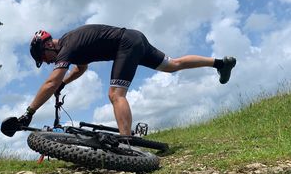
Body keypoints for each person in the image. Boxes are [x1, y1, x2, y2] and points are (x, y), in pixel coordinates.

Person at [17, 24, 236, 135]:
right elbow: (80, 69)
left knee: (115, 94)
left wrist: (29, 113)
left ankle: (126, 143)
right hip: (135, 39)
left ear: (47, 45)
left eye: (43, 58)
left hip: (126, 44)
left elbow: (50, 82)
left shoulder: (67, 46)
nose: (45, 63)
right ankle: (219, 63)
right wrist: (65, 84)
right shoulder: (71, 47)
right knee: (172, 65)